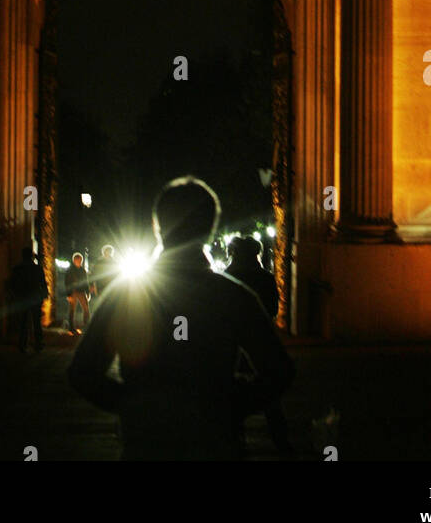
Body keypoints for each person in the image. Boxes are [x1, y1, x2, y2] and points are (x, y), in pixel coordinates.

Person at [68, 176, 294, 460]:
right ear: (211, 229)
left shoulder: (126, 294)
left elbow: (82, 372)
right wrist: (232, 404)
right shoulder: (234, 297)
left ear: (157, 226)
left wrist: (133, 405)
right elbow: (280, 370)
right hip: (217, 441)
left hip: (148, 443)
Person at [226, 235, 294, 456]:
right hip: (259, 343)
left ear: (234, 253)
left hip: (232, 347)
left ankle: (236, 445)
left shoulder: (227, 279)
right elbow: (273, 309)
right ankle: (282, 445)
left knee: (230, 400)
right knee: (271, 401)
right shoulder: (265, 278)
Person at [9, 245, 49, 352]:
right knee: (36, 322)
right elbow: (43, 283)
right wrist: (45, 294)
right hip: (35, 297)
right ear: (31, 256)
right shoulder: (37, 268)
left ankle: (23, 344)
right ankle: (38, 343)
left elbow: (13, 283)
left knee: (23, 322)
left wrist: (14, 295)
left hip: (22, 298)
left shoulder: (17, 269)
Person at [65, 252, 91, 333]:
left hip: (81, 291)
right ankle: (71, 327)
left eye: (80, 260)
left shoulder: (82, 270)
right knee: (72, 310)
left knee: (86, 309)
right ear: (74, 260)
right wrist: (69, 294)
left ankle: (86, 325)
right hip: (73, 292)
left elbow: (85, 281)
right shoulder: (70, 270)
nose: (79, 262)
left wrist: (87, 292)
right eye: (78, 260)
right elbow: (67, 282)